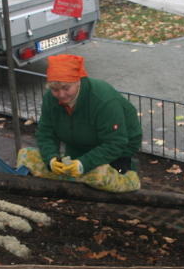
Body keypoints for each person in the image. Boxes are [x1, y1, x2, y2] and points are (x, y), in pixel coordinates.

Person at [18, 54, 143, 192]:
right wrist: (51, 159)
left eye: (66, 88)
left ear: (78, 81)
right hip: (77, 146)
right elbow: (46, 132)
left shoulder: (103, 100)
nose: (61, 95)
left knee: (99, 176)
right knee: (25, 156)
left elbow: (116, 142)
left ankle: (128, 179)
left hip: (117, 150)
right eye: (54, 89)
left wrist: (84, 163)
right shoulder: (50, 99)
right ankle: (78, 177)